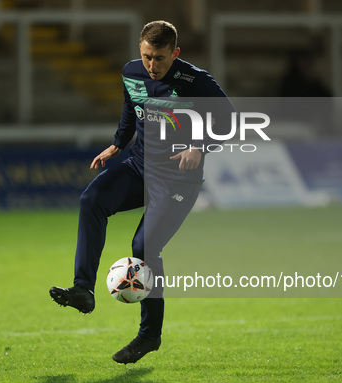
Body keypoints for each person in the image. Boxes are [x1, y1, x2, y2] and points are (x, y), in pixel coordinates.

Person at [50, 20, 230, 364]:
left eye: (160, 58)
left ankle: (149, 335)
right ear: (139, 50)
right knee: (91, 200)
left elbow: (230, 121)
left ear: (174, 53)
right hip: (140, 167)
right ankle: (83, 289)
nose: (152, 65)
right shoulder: (132, 72)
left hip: (178, 180)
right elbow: (131, 107)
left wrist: (200, 147)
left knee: (144, 247)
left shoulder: (197, 81)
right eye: (147, 56)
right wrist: (118, 144)